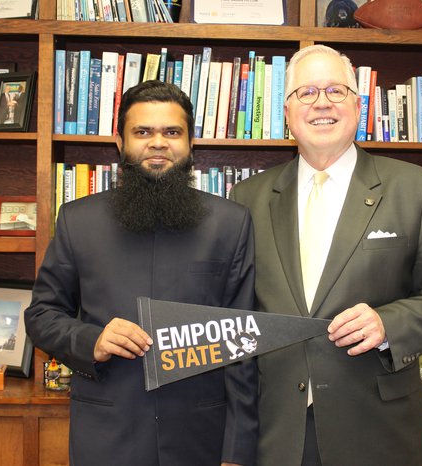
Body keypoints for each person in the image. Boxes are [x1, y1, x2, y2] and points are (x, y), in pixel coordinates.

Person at [229, 45, 422, 465]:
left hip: (377, 430)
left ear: (358, 107)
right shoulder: (248, 198)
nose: (321, 102)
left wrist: (389, 322)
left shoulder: (415, 190)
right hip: (276, 431)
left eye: (336, 91)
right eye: (306, 93)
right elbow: (237, 313)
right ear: (287, 113)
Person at [25, 80, 258, 466]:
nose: (158, 143)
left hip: (203, 436)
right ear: (121, 144)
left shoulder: (230, 223)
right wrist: (92, 340)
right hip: (107, 433)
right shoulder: (77, 220)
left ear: (189, 143)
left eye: (171, 132)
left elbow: (244, 343)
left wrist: (238, 449)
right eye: (143, 132)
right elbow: (41, 316)